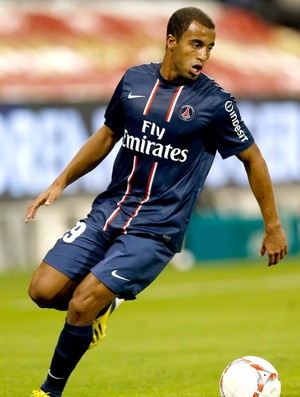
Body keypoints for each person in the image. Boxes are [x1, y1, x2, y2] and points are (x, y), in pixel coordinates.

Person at [25, 7, 288, 397]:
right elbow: (107, 134)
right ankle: (104, 309)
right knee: (42, 291)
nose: (203, 55)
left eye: (210, 48)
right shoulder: (133, 81)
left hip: (155, 231)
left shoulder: (215, 104)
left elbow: (253, 158)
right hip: (109, 212)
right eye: (196, 44)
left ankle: (49, 391)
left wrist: (273, 225)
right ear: (171, 42)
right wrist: (61, 181)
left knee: (81, 303)